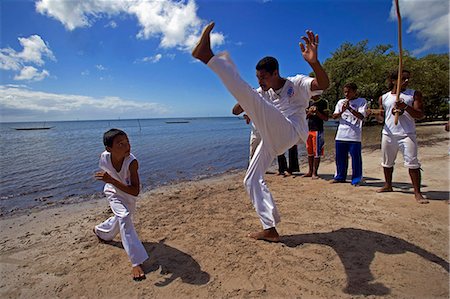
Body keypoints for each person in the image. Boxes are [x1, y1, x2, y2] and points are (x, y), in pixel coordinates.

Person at [192, 22, 329, 242]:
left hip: (291, 131)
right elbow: (237, 109)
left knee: (252, 97)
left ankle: (207, 56)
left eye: (264, 78)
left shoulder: (297, 83)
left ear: (276, 72)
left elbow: (324, 84)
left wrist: (315, 63)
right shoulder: (262, 92)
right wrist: (247, 103)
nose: (260, 82)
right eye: (258, 79)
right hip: (271, 138)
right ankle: (270, 228)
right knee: (251, 179)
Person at [93, 129, 148, 280]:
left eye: (127, 142)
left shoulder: (132, 162)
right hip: (113, 192)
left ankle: (100, 231)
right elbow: (109, 174)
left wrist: (111, 180)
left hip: (129, 195)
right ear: (109, 149)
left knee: (122, 219)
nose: (127, 146)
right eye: (120, 144)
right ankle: (136, 261)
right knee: (124, 217)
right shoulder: (104, 158)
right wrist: (110, 182)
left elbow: (135, 191)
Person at [376, 70, 428, 204]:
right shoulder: (384, 97)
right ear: (393, 81)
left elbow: (420, 114)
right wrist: (376, 115)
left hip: (407, 134)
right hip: (388, 133)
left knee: (412, 162)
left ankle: (417, 192)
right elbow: (382, 118)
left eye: (407, 78)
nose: (406, 81)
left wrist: (405, 107)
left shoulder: (414, 94)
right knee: (387, 162)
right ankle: (388, 185)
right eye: (403, 78)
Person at [331, 83, 367, 185]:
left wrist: (350, 109)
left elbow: (361, 116)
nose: (346, 94)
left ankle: (356, 179)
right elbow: (334, 116)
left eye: (349, 92)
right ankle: (340, 176)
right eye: (345, 91)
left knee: (355, 158)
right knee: (340, 158)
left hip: (354, 135)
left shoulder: (361, 101)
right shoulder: (340, 102)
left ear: (355, 92)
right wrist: (342, 111)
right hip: (341, 134)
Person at [303, 90, 328, 179]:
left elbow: (326, 118)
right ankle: (310, 171)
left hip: (318, 130)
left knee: (317, 152)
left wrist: (317, 112)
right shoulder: (308, 102)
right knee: (309, 152)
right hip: (308, 129)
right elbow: (304, 117)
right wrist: (309, 112)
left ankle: (315, 172)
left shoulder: (323, 102)